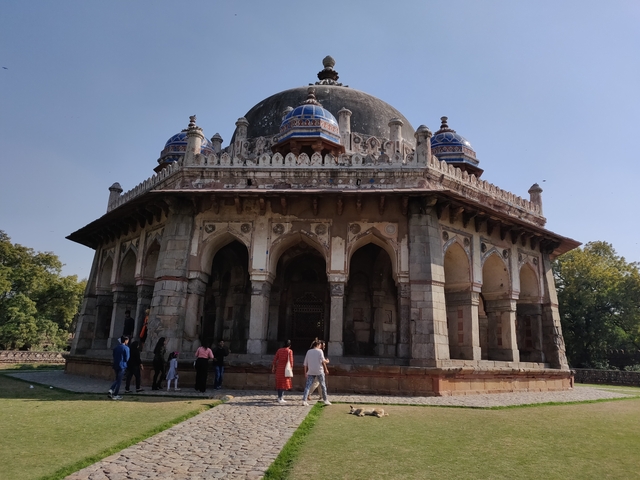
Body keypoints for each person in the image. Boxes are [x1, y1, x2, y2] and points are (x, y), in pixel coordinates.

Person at [302, 340, 331, 406]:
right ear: (318, 345)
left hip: (311, 371)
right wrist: (327, 361)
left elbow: (305, 364)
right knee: (323, 385)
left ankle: (304, 400)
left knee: (307, 386)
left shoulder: (309, 351)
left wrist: (305, 372)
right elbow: (323, 361)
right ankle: (325, 400)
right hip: (319, 371)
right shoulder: (320, 351)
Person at [271, 340, 293, 404]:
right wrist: (291, 368)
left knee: (279, 383)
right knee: (283, 384)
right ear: (289, 345)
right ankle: (280, 397)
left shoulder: (279, 350)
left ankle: (279, 397)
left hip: (279, 368)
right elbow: (291, 361)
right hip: (286, 369)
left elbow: (275, 359)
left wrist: (273, 367)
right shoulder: (289, 351)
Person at [109, 336, 130, 400]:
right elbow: (127, 358)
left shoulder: (116, 348)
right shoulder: (126, 348)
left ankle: (112, 390)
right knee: (119, 380)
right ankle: (114, 392)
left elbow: (114, 356)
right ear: (126, 340)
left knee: (117, 379)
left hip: (116, 364)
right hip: (122, 365)